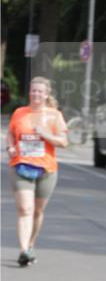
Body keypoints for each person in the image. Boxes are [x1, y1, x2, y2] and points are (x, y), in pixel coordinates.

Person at [5, 76, 68, 266]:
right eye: (33, 90)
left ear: (46, 94)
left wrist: (45, 133)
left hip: (46, 169)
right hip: (21, 165)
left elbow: (63, 142)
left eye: (40, 91)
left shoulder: (54, 115)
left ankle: (31, 243)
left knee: (38, 211)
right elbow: (10, 134)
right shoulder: (19, 113)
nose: (36, 94)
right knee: (25, 209)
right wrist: (10, 147)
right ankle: (24, 250)